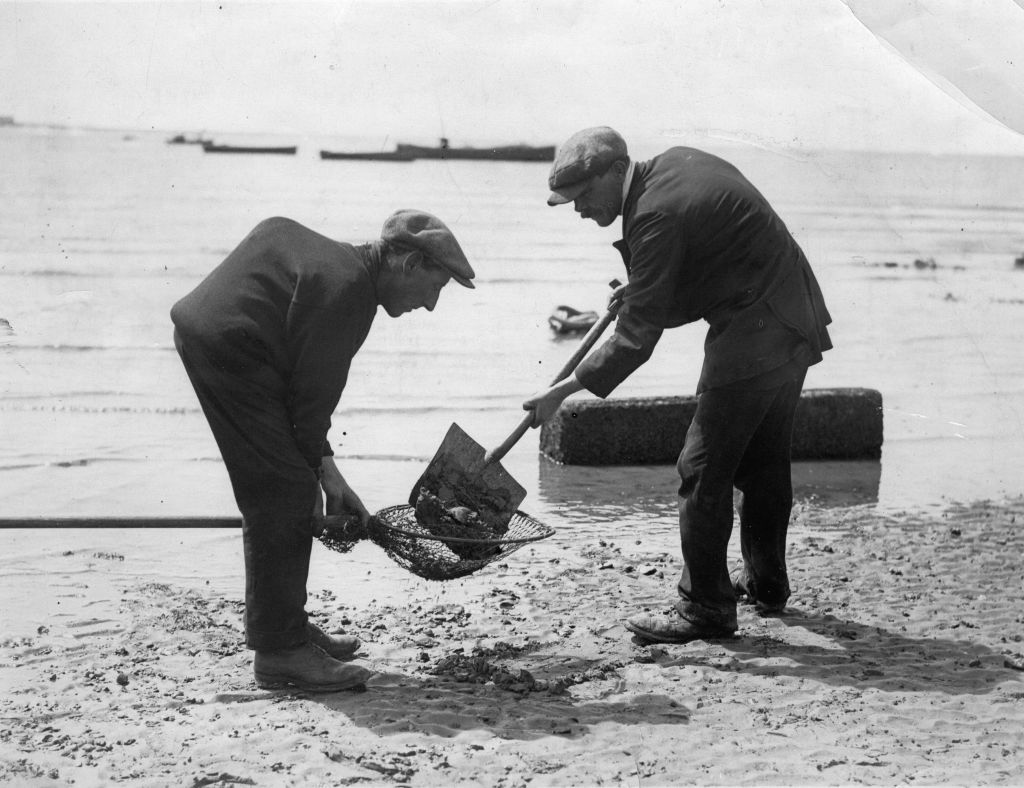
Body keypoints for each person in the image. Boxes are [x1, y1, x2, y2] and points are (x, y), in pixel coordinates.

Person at [523, 127, 832, 644]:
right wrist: (648, 286)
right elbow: (717, 256)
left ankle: (706, 608)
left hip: (756, 327)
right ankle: (767, 586)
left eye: (582, 197)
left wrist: (563, 390)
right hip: (790, 313)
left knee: (701, 467)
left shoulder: (653, 216)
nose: (578, 210)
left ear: (616, 171)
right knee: (763, 461)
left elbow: (637, 339)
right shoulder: (674, 165)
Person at [171, 210, 475, 690]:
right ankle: (279, 654)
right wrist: (313, 477)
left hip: (233, 338)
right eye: (435, 287)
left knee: (291, 479)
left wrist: (329, 477)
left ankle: (286, 626)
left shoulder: (343, 269)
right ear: (409, 263)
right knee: (284, 490)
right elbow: (308, 409)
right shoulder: (347, 292)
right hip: (228, 349)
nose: (432, 305)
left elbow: (303, 400)